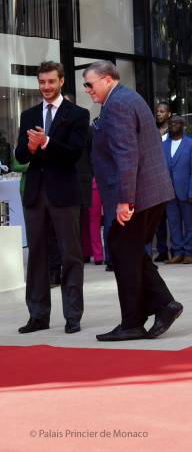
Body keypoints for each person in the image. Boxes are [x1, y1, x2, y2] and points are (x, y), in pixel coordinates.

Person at [85, 60, 183, 341]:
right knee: (129, 252)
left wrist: (124, 200)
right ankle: (161, 305)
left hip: (137, 195)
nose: (87, 90)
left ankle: (136, 321)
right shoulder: (128, 97)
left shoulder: (117, 104)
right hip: (150, 193)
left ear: (106, 79)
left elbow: (127, 154)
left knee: (123, 251)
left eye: (90, 84)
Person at [14, 61, 89, 335]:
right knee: (37, 255)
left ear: (61, 82)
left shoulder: (78, 114)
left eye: (50, 82)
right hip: (35, 193)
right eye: (42, 82)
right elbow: (20, 156)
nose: (46, 87)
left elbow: (74, 153)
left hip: (64, 192)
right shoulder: (28, 114)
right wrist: (31, 148)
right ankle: (37, 315)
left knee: (71, 254)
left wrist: (46, 143)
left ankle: (72, 315)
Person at [162, 115, 192, 265]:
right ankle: (178, 252)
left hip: (186, 191)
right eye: (171, 123)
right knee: (173, 223)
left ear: (183, 125)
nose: (173, 125)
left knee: (189, 223)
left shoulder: (190, 144)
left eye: (176, 123)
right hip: (169, 192)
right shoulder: (163, 145)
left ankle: (189, 252)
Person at [153, 102, 172, 262]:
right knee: (159, 220)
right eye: (157, 111)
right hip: (156, 181)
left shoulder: (174, 133)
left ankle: (178, 249)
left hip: (171, 181)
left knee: (173, 218)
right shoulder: (152, 131)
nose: (158, 114)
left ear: (169, 114)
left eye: (161, 111)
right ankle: (162, 250)